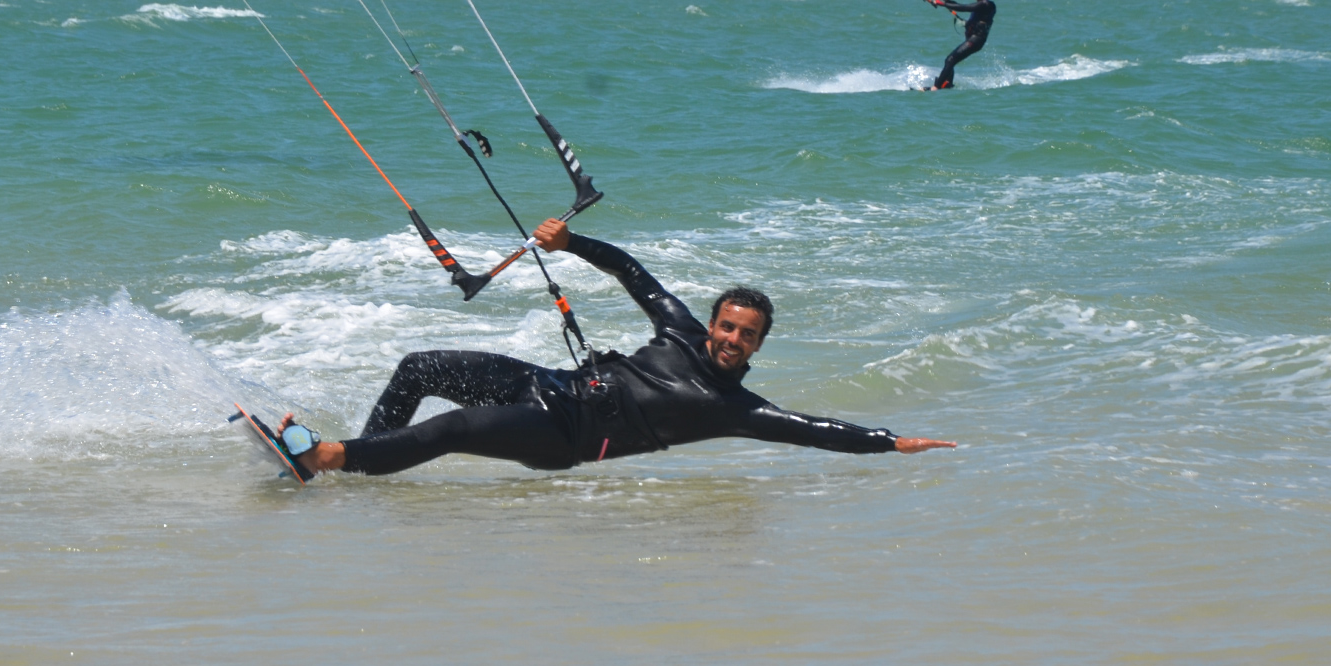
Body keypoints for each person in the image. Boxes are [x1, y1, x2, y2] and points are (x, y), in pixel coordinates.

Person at [277, 218, 954, 477]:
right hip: (547, 386)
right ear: (714, 323)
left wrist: (890, 441)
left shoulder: (734, 408)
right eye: (727, 325)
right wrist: (572, 245)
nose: (731, 338)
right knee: (419, 367)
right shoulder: (680, 331)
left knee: (453, 429)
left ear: (755, 348)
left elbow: (816, 431)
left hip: (562, 436)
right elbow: (634, 273)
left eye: (746, 335)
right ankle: (362, 468)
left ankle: (329, 458)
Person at [926, 0, 996, 90]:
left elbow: (964, 7)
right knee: (949, 61)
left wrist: (943, 4)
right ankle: (947, 84)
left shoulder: (987, 4)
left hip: (976, 41)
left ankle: (935, 88)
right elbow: (959, 5)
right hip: (972, 39)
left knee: (950, 60)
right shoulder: (980, 5)